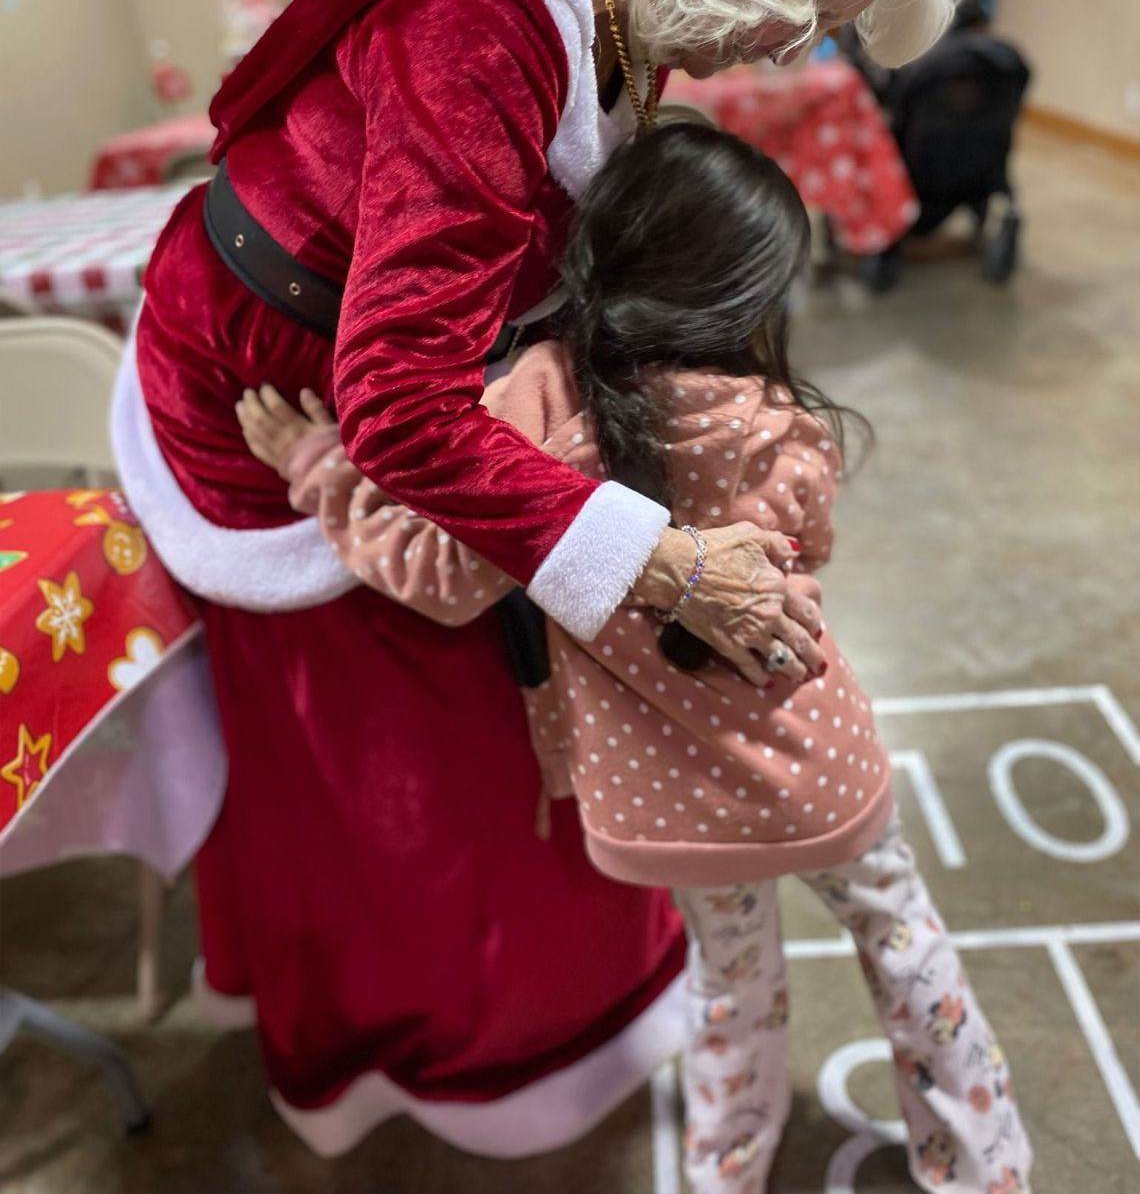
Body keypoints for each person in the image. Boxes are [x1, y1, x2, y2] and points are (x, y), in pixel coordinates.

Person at [111, 0, 986, 1151]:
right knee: (405, 777)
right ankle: (440, 1066)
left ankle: (556, 1029)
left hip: (375, 407)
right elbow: (394, 405)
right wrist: (656, 561)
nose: (793, 46)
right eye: (805, 4)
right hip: (276, 399)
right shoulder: (490, 24)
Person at [240, 124, 1033, 1194]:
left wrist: (316, 464)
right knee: (906, 946)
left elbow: (438, 574)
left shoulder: (535, 404)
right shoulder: (780, 423)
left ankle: (725, 1173)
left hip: (667, 806)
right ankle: (986, 1169)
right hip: (820, 769)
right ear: (749, 298)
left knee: (729, 990)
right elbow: (816, 551)